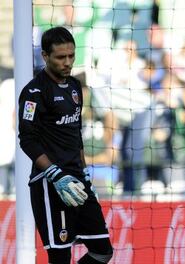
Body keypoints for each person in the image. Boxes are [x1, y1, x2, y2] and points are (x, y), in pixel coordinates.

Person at [18, 27, 113, 264]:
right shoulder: (34, 92)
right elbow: (27, 139)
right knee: (60, 258)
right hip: (50, 183)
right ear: (45, 56)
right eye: (61, 57)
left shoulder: (74, 87)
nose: (68, 62)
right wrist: (54, 173)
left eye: (71, 56)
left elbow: (75, 133)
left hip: (78, 181)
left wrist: (84, 171)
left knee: (102, 251)